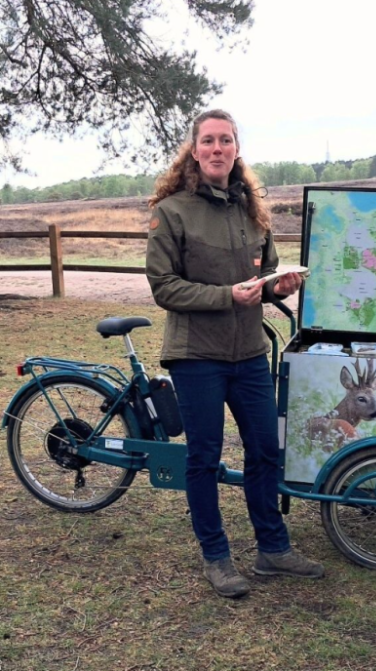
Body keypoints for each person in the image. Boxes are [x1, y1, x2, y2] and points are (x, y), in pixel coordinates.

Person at [146, 109, 325, 598]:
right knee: (203, 458)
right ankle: (217, 557)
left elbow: (262, 279)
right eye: (209, 140)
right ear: (195, 150)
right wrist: (227, 296)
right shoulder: (173, 211)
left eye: (226, 140)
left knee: (266, 449)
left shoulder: (251, 209)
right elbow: (164, 287)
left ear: (236, 150)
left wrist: (278, 287)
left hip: (247, 352)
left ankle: (273, 549)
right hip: (196, 356)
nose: (218, 148)